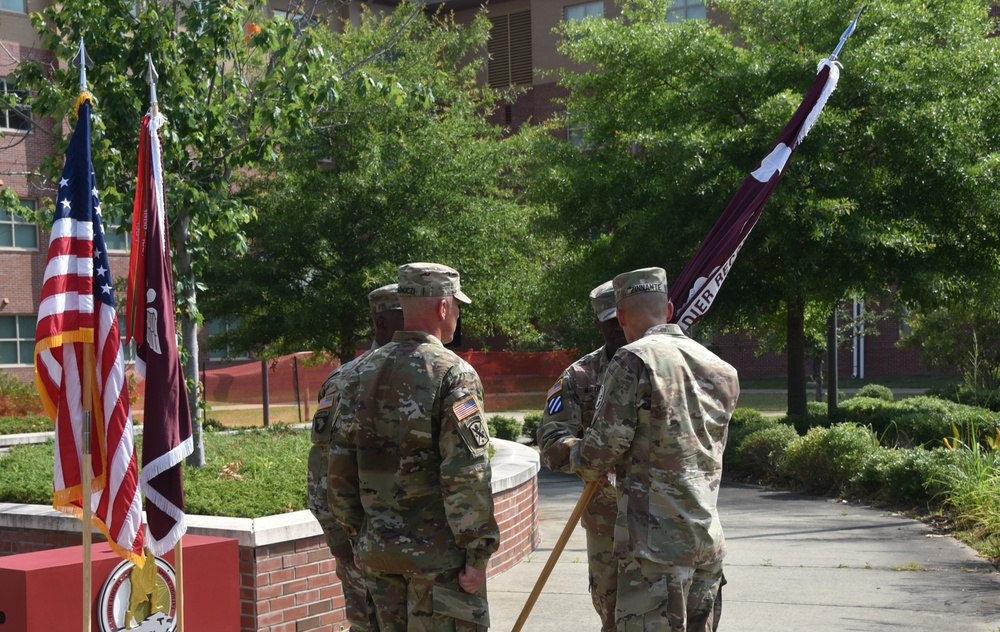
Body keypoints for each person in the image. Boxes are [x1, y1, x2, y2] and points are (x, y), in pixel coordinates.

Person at [328, 262, 500, 632]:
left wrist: (358, 535)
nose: (457, 315)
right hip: (439, 562)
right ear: (442, 307)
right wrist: (477, 551)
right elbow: (466, 473)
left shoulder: (357, 373)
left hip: (379, 553)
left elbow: (339, 467)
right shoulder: (454, 373)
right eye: (457, 306)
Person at [571, 267, 740, 632]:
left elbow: (599, 454)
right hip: (706, 542)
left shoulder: (632, 360)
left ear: (620, 315)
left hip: (653, 549)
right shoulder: (723, 369)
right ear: (669, 309)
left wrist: (568, 452)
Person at [307, 283, 404, 632]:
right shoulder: (345, 380)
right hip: (361, 546)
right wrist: (340, 543)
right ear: (381, 323)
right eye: (404, 317)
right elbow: (321, 471)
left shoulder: (430, 373)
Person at [537, 280, 627, 632]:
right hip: (607, 517)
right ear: (599, 324)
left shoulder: (667, 366)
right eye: (611, 322)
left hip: (668, 516)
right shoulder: (579, 376)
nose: (620, 329)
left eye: (624, 319)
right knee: (613, 611)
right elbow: (552, 440)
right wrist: (591, 455)